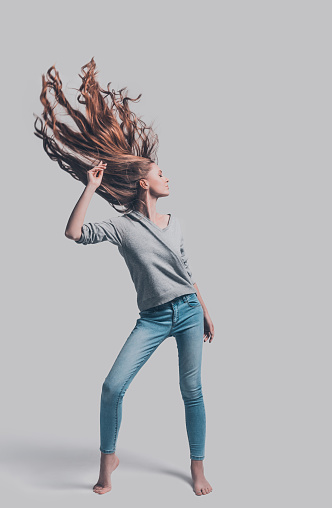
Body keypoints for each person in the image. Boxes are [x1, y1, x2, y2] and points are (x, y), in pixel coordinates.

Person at [34, 57, 214, 496]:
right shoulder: (121, 226)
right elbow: (74, 232)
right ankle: (107, 461)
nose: (166, 176)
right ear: (142, 182)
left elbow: (187, 272)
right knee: (113, 386)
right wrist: (91, 187)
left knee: (191, 390)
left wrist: (206, 310)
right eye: (159, 173)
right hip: (153, 317)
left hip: (188, 311)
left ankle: (197, 468)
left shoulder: (178, 221)